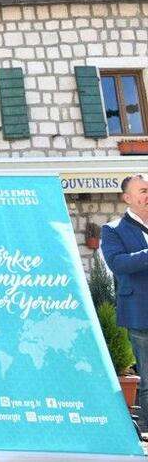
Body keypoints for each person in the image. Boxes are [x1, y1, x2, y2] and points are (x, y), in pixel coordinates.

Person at [102, 173, 148, 425]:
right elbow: (117, 263)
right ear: (127, 197)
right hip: (141, 311)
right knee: (147, 376)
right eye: (143, 190)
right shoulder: (113, 229)